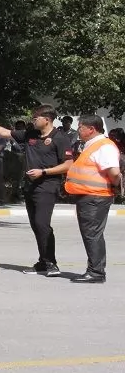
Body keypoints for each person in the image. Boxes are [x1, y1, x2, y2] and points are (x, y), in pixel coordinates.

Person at [0, 106, 73, 277]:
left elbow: (68, 164)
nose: (33, 120)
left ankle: (51, 263)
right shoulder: (30, 134)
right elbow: (3, 132)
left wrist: (44, 172)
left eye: (36, 117)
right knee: (36, 226)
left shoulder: (60, 138)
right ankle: (43, 262)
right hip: (30, 186)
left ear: (47, 119)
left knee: (42, 224)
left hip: (47, 185)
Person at [64, 115, 121, 283]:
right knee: (92, 234)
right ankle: (96, 270)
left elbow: (114, 173)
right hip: (90, 195)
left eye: (81, 127)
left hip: (95, 197)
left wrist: (115, 186)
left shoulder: (104, 146)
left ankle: (96, 273)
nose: (78, 130)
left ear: (91, 129)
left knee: (92, 234)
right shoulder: (94, 145)